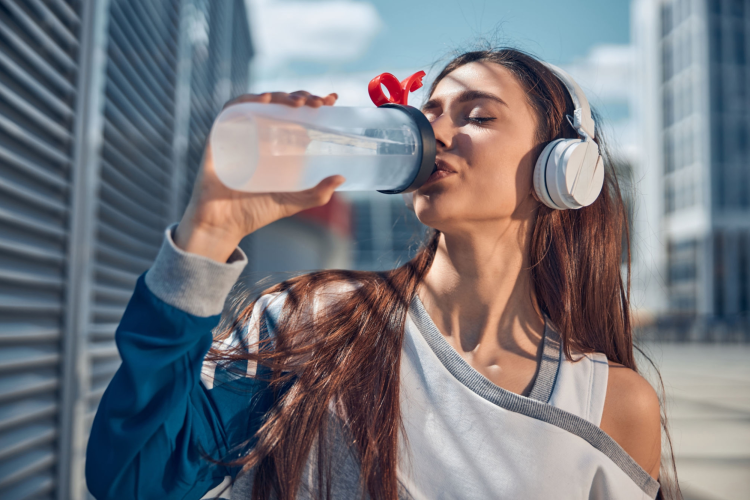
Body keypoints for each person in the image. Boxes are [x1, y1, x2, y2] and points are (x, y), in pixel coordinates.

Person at [86, 49, 672, 500]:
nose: (435, 134)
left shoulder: (612, 405)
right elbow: (135, 478)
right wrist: (208, 235)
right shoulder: (309, 323)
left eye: (476, 116)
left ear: (562, 170)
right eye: (429, 113)